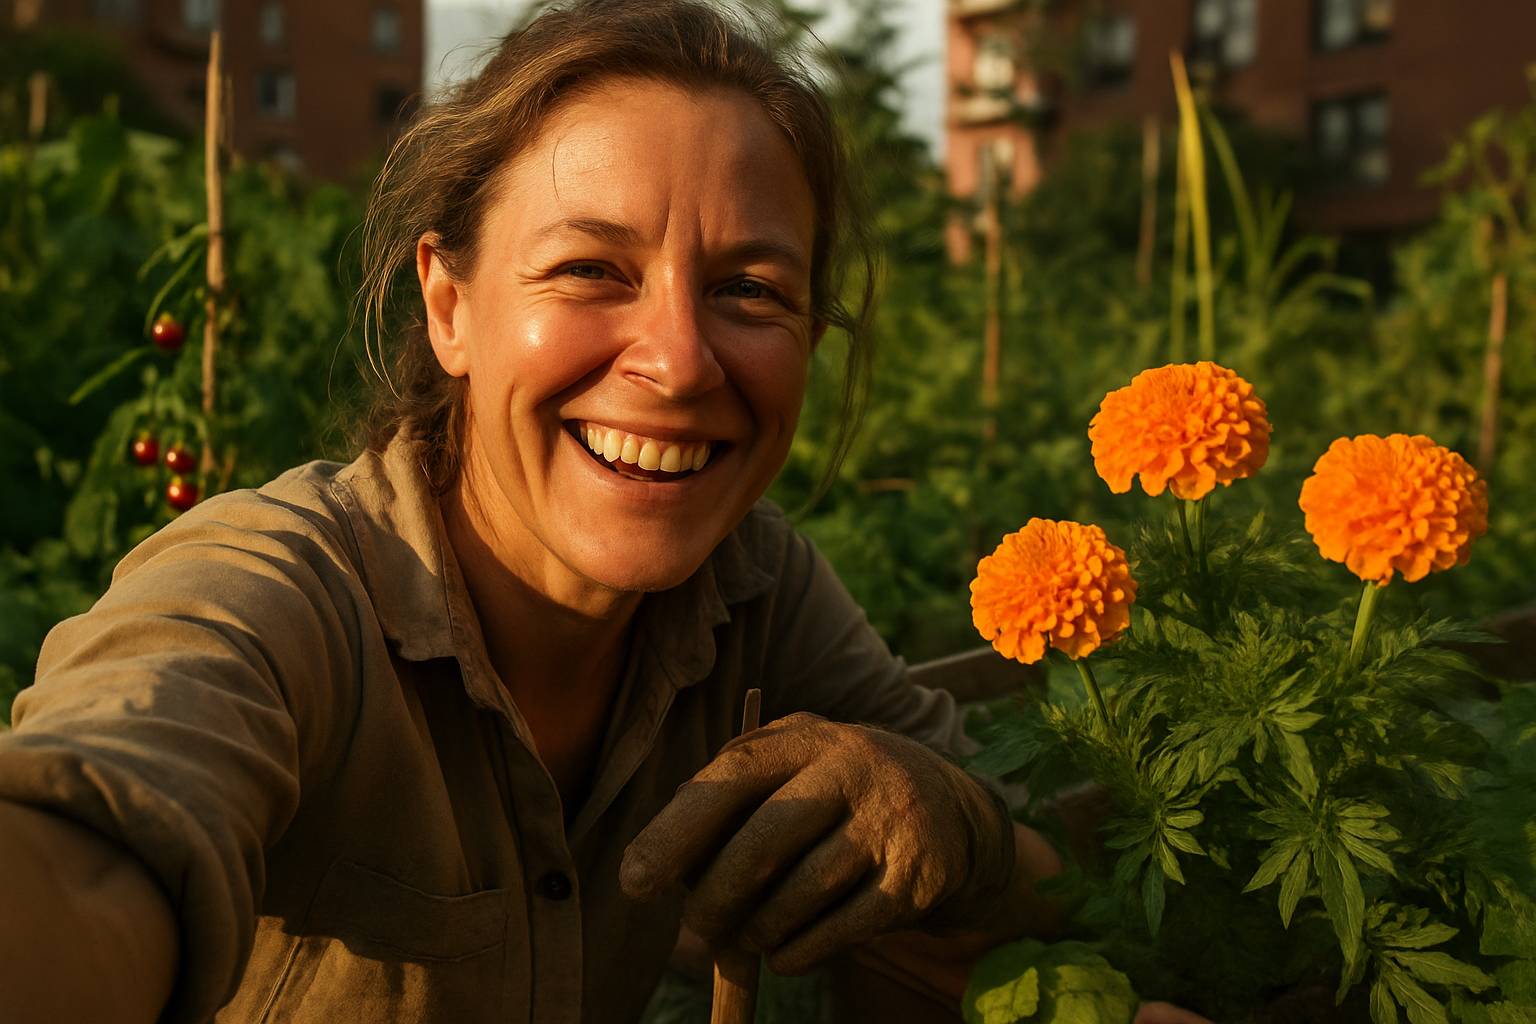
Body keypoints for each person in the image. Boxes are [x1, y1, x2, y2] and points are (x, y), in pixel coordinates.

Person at [0, 2, 1206, 1021]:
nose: (678, 362)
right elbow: (100, 828)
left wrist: (952, 818)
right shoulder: (281, 594)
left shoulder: (756, 591)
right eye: (590, 270)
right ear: (449, 306)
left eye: (750, 288)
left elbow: (1052, 882)